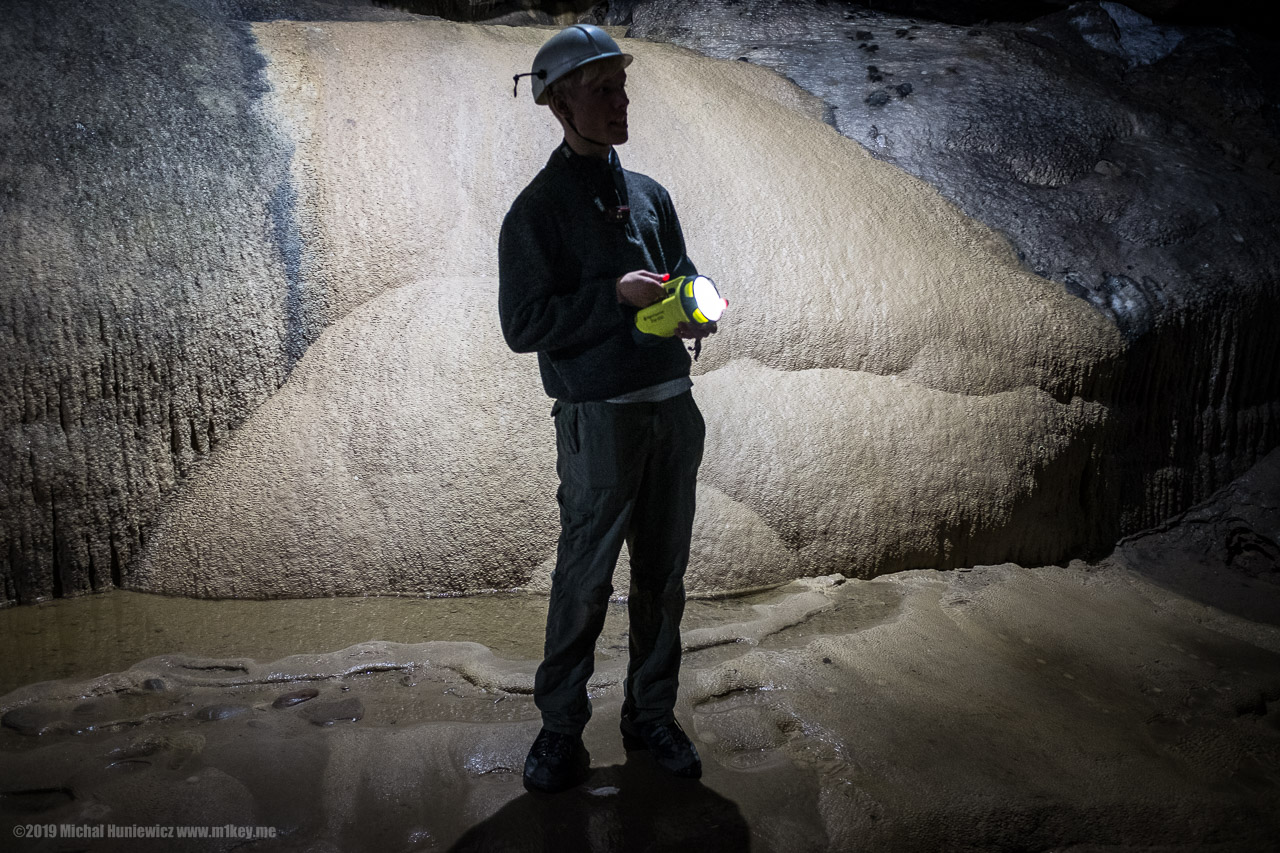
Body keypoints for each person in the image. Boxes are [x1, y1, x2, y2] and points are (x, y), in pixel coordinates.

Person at [499, 24, 717, 794]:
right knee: (585, 579)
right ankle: (560, 728)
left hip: (670, 411)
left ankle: (648, 713)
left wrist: (694, 307)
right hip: (600, 420)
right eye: (602, 91)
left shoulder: (649, 195)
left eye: (623, 88)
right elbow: (522, 324)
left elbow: (682, 273)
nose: (621, 103)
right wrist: (610, 298)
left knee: (663, 575)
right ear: (560, 103)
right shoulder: (538, 211)